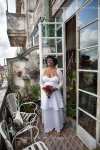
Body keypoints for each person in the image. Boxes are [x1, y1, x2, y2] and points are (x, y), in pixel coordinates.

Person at [40, 55, 65, 136]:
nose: (49, 62)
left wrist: (54, 89)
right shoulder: (43, 70)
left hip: (55, 94)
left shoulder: (58, 71)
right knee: (48, 110)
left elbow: (61, 83)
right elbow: (41, 82)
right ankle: (49, 127)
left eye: (50, 61)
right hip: (46, 94)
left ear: (54, 61)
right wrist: (44, 89)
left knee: (56, 109)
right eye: (47, 61)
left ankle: (58, 128)